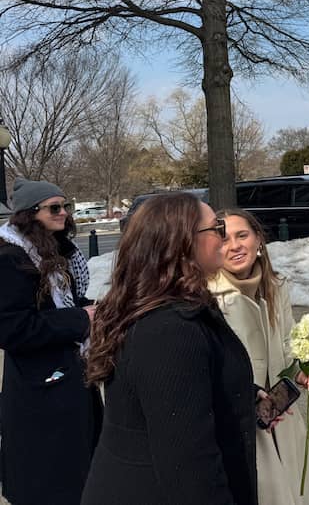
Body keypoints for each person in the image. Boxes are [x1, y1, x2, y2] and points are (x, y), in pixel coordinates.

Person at [81, 193, 258, 505]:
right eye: (215, 228)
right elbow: (189, 466)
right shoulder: (170, 330)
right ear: (182, 245)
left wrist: (244, 393)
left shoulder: (169, 308)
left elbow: (178, 390)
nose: (225, 237)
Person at [209, 209, 309, 504]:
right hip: (244, 419)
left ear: (258, 239)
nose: (234, 246)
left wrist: (299, 368)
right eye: (224, 239)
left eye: (242, 235)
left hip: (281, 410)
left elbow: (287, 340)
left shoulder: (275, 285)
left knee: (294, 491)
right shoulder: (207, 297)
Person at [0, 179, 101, 505]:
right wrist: (80, 319)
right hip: (39, 393)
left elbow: (64, 303)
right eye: (54, 208)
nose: (64, 213)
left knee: (80, 474)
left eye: (65, 206)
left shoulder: (54, 254)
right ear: (30, 214)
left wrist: (97, 309)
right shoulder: (10, 259)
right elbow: (11, 328)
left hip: (70, 382)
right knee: (51, 481)